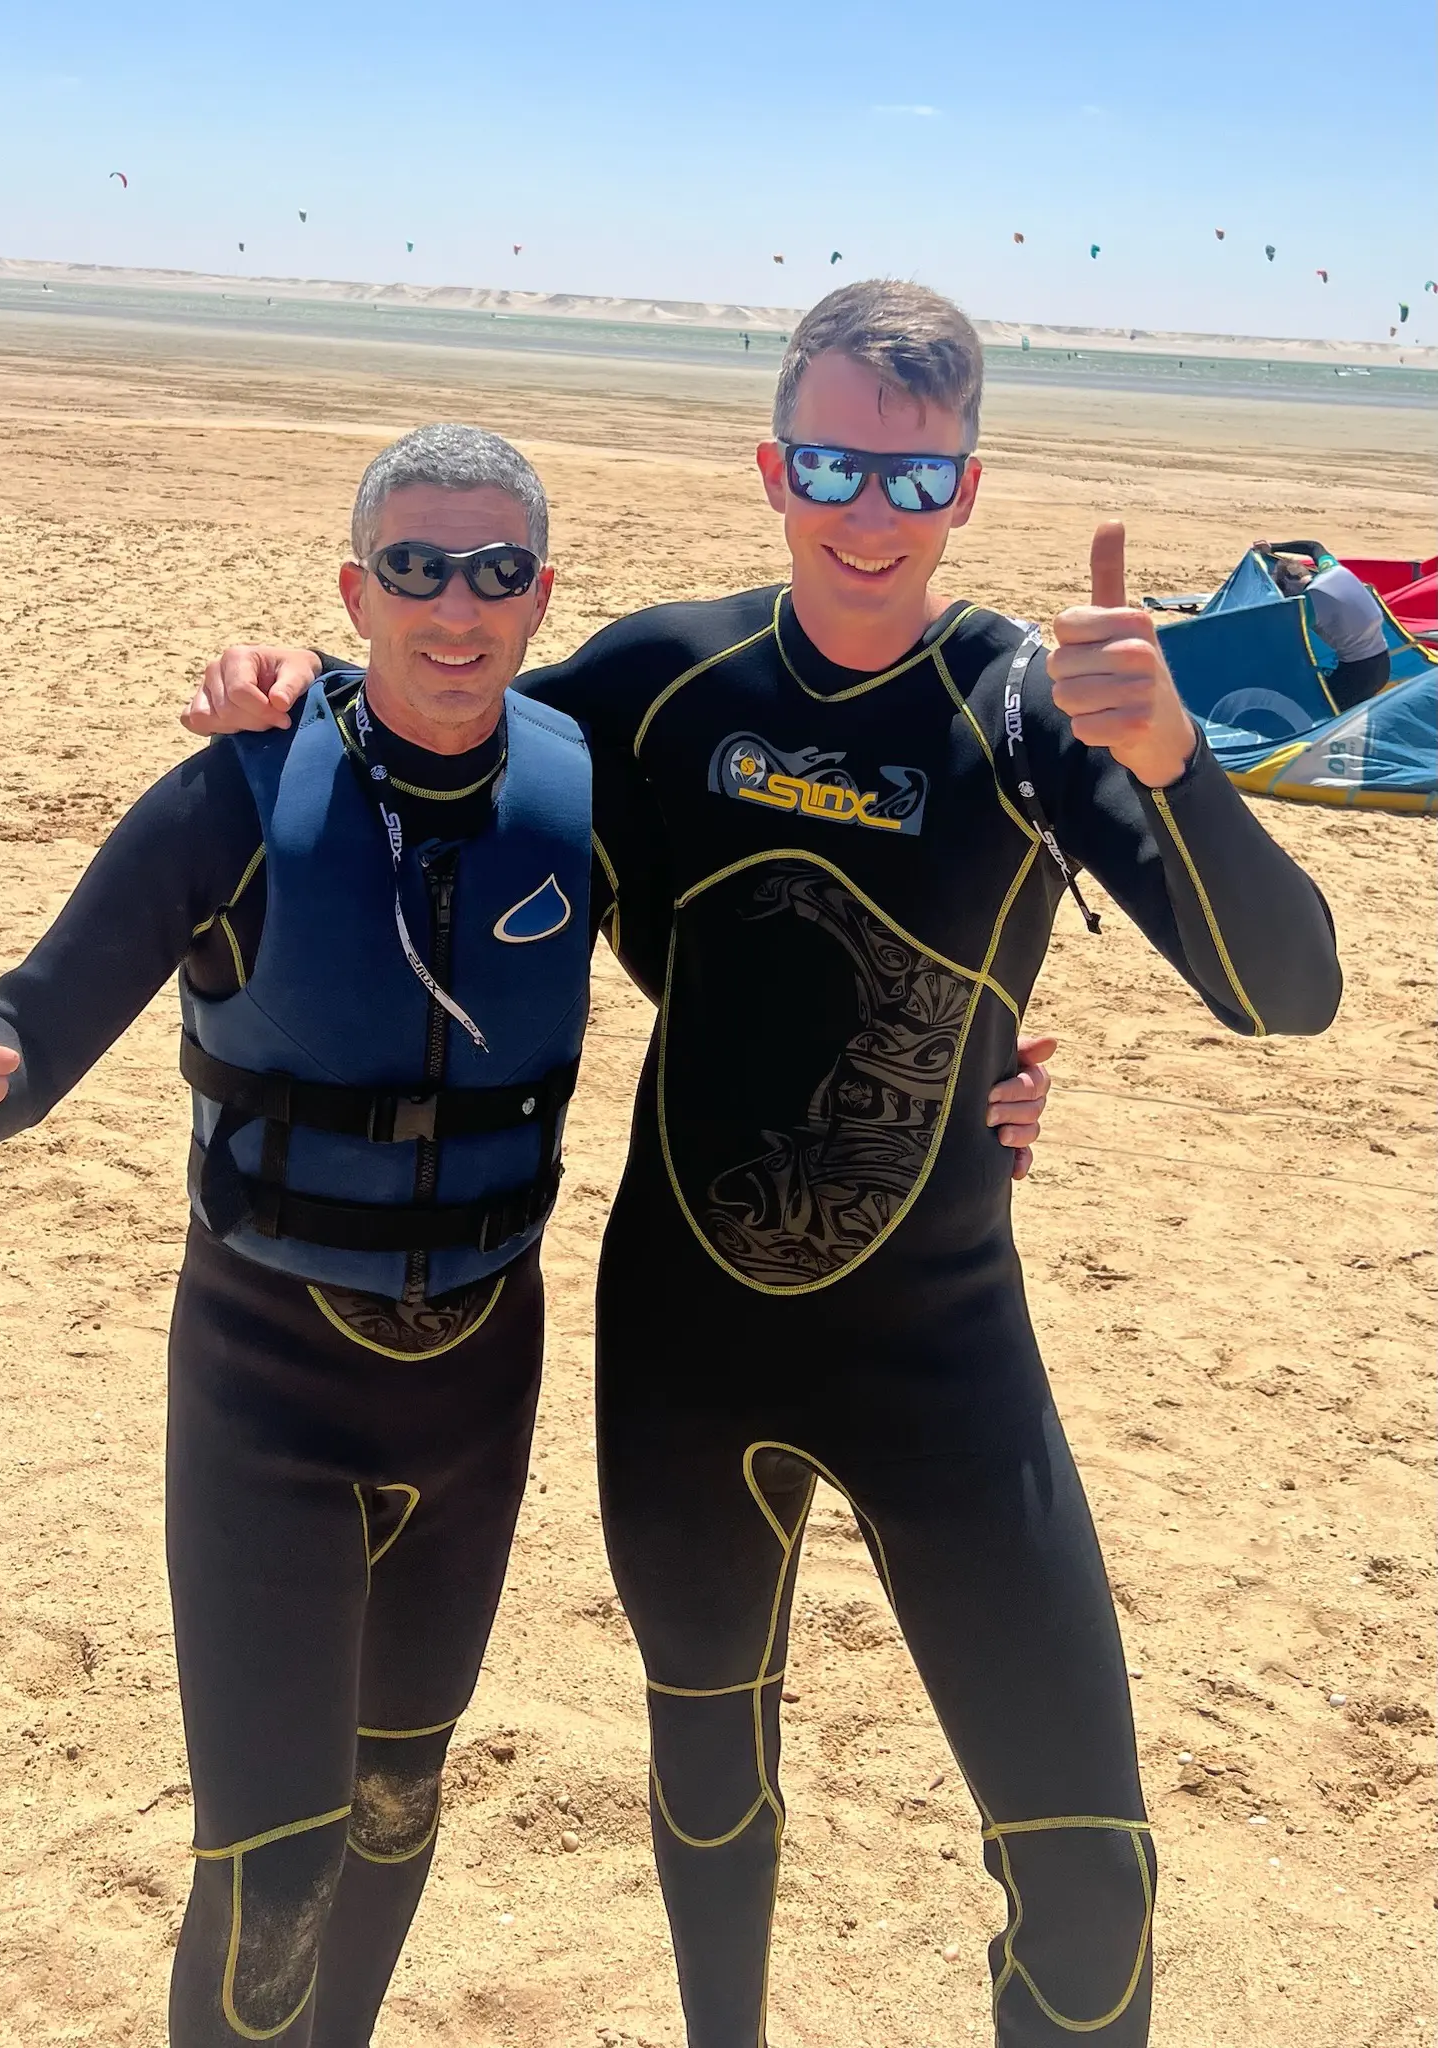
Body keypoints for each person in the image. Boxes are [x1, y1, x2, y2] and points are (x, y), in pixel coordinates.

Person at [189, 279, 1343, 2048]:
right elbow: (431, 742)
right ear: (771, 467)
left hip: (948, 1355)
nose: (866, 514)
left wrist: (1172, 755)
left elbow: (1287, 992)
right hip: (683, 1354)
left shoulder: (1035, 708)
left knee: (1093, 1880)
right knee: (711, 1793)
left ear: (966, 487)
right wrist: (294, 680)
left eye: (911, 476)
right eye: (831, 465)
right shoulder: (660, 686)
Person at [0, 421, 1051, 2048]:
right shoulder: (238, 785)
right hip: (264, 1380)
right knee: (270, 1856)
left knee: (394, 1798)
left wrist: (966, 1084)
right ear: (356, 588)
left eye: (494, 572)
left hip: (473, 1390)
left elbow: (758, 983)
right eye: (416, 569)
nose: (455, 607)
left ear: (539, 592)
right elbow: (30, 1010)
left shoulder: (574, 786)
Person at [1256, 539, 1392, 708]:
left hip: (1358, 674)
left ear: (1288, 585)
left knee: (1315, 710)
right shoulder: (1334, 569)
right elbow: (1313, 546)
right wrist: (1273, 547)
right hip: (1384, 665)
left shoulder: (1309, 601)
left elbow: (1282, 640)